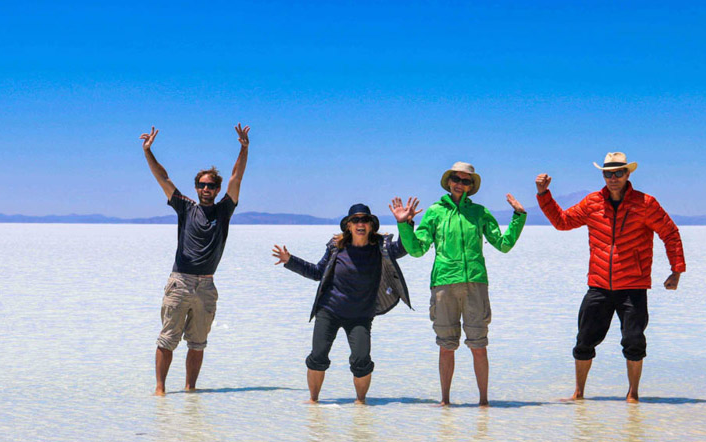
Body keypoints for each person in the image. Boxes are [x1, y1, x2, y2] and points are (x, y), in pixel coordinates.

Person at [535, 152, 685, 403]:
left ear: (628, 174)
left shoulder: (645, 203)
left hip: (633, 286)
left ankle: (633, 395)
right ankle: (579, 394)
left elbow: (670, 233)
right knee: (584, 341)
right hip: (599, 285)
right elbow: (562, 222)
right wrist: (543, 195)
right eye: (608, 173)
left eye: (618, 173)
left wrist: (676, 270)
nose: (613, 178)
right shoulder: (593, 203)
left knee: (634, 342)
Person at [390, 162, 527, 406]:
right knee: (446, 346)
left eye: (466, 181)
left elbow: (503, 244)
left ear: (471, 186)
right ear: (449, 181)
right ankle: (445, 402)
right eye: (457, 179)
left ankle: (484, 402)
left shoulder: (480, 213)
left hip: (475, 283)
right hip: (443, 284)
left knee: (479, 346)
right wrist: (404, 224)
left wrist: (518, 217)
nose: (460, 184)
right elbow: (417, 250)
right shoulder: (434, 212)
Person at [141, 124, 251, 395]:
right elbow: (163, 178)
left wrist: (244, 148)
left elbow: (237, 177)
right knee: (167, 339)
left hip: (206, 286)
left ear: (217, 189)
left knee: (198, 343)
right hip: (180, 282)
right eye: (201, 185)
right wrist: (148, 152)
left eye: (211, 186)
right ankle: (160, 390)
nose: (205, 189)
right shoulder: (185, 207)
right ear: (196, 187)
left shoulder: (225, 210)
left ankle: (191, 391)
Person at [272, 204, 412, 404]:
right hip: (329, 311)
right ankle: (313, 403)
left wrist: (404, 223)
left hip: (361, 315)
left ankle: (361, 404)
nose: (360, 223)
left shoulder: (381, 247)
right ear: (348, 226)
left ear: (371, 225)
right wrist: (290, 260)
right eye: (355, 220)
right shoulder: (336, 247)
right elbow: (317, 273)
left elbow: (404, 247)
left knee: (361, 361)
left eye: (365, 220)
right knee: (318, 357)